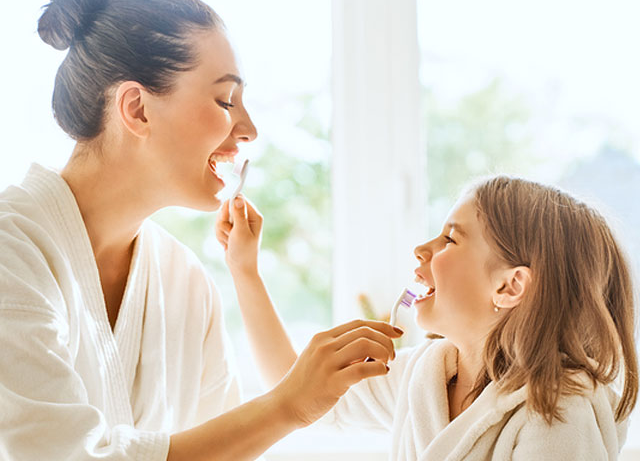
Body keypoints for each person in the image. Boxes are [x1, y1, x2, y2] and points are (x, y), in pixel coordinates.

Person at [0, 0, 403, 460]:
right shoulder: (14, 251)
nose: (248, 130)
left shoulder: (185, 281)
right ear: (136, 109)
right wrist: (288, 405)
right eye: (225, 100)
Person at [217, 175, 639, 459]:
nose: (422, 248)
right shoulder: (424, 375)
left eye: (450, 239)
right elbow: (300, 394)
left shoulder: (559, 411)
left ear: (509, 287)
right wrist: (244, 272)